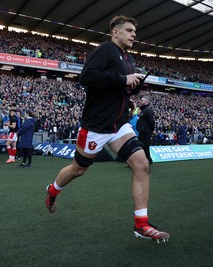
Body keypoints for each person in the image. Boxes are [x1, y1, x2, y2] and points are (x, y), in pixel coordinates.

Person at [44, 15, 170, 243]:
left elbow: (118, 87)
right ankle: (52, 191)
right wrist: (122, 79)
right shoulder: (105, 50)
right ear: (115, 32)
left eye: (135, 31)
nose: (134, 34)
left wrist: (130, 92)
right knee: (78, 170)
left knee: (142, 165)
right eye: (129, 30)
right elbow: (87, 77)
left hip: (118, 124)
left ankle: (141, 225)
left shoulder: (128, 59)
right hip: (96, 126)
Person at [136, 97, 155, 164]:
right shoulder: (143, 110)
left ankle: (149, 161)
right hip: (142, 132)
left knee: (145, 148)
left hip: (146, 133)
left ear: (146, 102)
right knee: (141, 147)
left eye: (142, 100)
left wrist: (152, 130)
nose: (140, 101)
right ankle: (143, 161)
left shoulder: (148, 110)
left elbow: (151, 121)